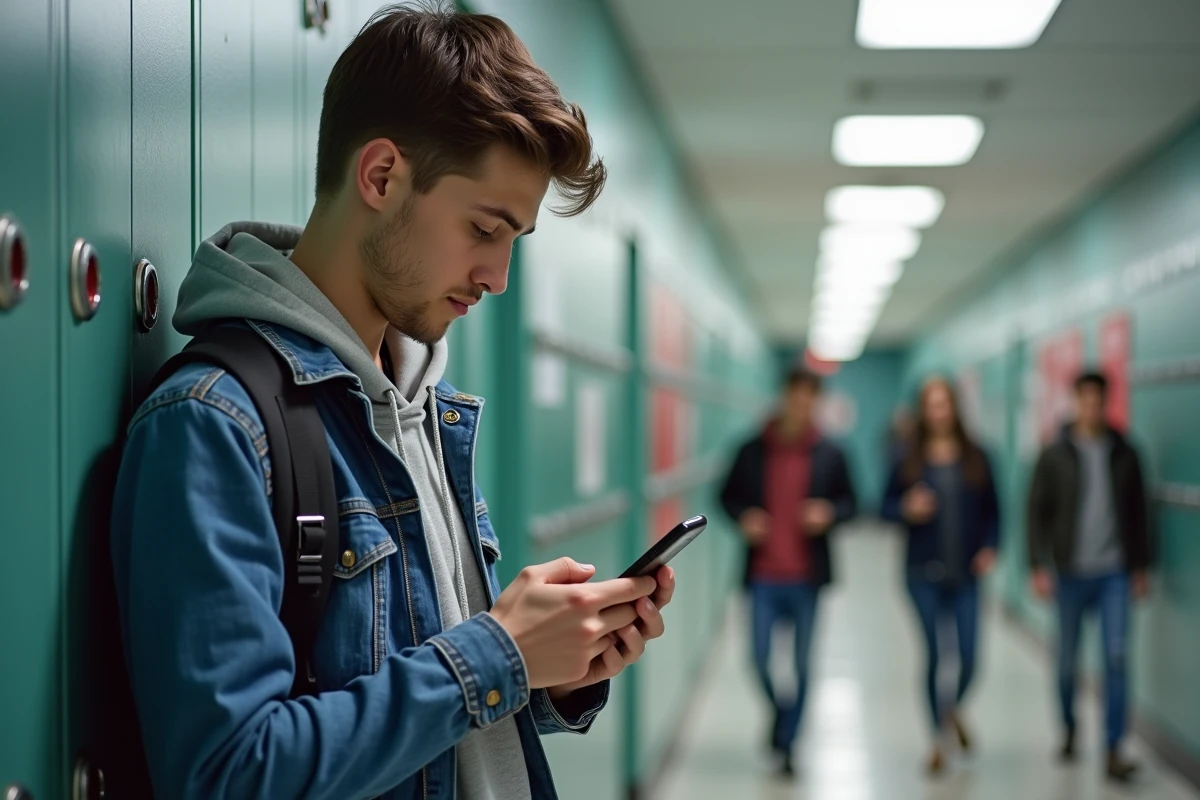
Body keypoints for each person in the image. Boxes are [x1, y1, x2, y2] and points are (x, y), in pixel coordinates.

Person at [109, 5, 676, 799]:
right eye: (484, 229)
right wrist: (501, 654)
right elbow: (231, 773)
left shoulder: (424, 408)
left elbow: (433, 702)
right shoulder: (215, 424)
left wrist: (547, 673)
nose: (497, 277)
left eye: (513, 241)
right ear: (381, 176)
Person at [719, 368, 857, 778]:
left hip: (806, 577)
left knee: (801, 664)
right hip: (763, 575)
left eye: (809, 399)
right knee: (759, 660)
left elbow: (853, 503)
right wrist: (744, 517)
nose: (801, 406)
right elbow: (725, 496)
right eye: (795, 397)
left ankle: (788, 743)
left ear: (816, 403)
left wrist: (829, 513)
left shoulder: (830, 453)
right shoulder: (751, 449)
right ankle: (783, 715)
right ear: (783, 397)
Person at [1027, 371, 1149, 783]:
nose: (1091, 408)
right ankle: (1068, 727)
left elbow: (1139, 512)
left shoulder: (1125, 452)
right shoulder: (1055, 453)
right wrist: (1037, 564)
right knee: (1066, 662)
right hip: (1069, 573)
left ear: (1106, 402)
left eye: (1098, 401)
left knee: (1116, 657)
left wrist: (1141, 566)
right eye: (1085, 400)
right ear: (1075, 401)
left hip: (1115, 571)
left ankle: (1114, 747)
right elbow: (1036, 511)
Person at [881, 377, 999, 777]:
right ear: (922, 411)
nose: (938, 412)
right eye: (931, 405)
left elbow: (994, 512)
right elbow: (882, 507)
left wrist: (990, 547)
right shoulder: (907, 459)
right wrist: (905, 508)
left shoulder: (977, 457)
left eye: (944, 404)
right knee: (934, 654)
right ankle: (936, 739)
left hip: (966, 575)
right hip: (922, 574)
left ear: (954, 408)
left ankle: (951, 709)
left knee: (970, 658)